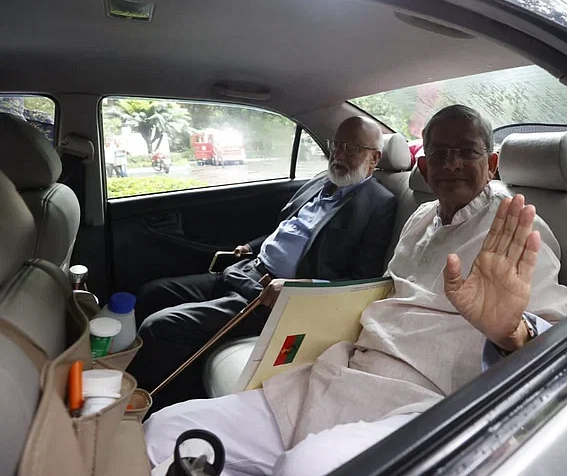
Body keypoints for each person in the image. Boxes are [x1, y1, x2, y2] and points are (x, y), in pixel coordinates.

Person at [143, 105, 567, 476]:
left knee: (306, 466)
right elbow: (381, 295)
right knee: (166, 429)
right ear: (423, 167)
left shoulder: (515, 227)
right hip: (346, 371)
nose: (452, 163)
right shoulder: (420, 219)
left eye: (466, 151)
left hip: (426, 400)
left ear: (493, 163)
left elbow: (555, 339)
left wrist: (511, 331)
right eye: (439, 153)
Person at [128, 116, 398, 411]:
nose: (339, 155)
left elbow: (364, 281)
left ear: (374, 158)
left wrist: (299, 288)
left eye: (351, 148)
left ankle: (149, 409)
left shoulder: (379, 203)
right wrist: (252, 247)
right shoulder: (323, 181)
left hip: (274, 299)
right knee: (152, 293)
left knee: (159, 326)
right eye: (336, 145)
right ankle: (144, 380)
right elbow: (290, 229)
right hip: (245, 272)